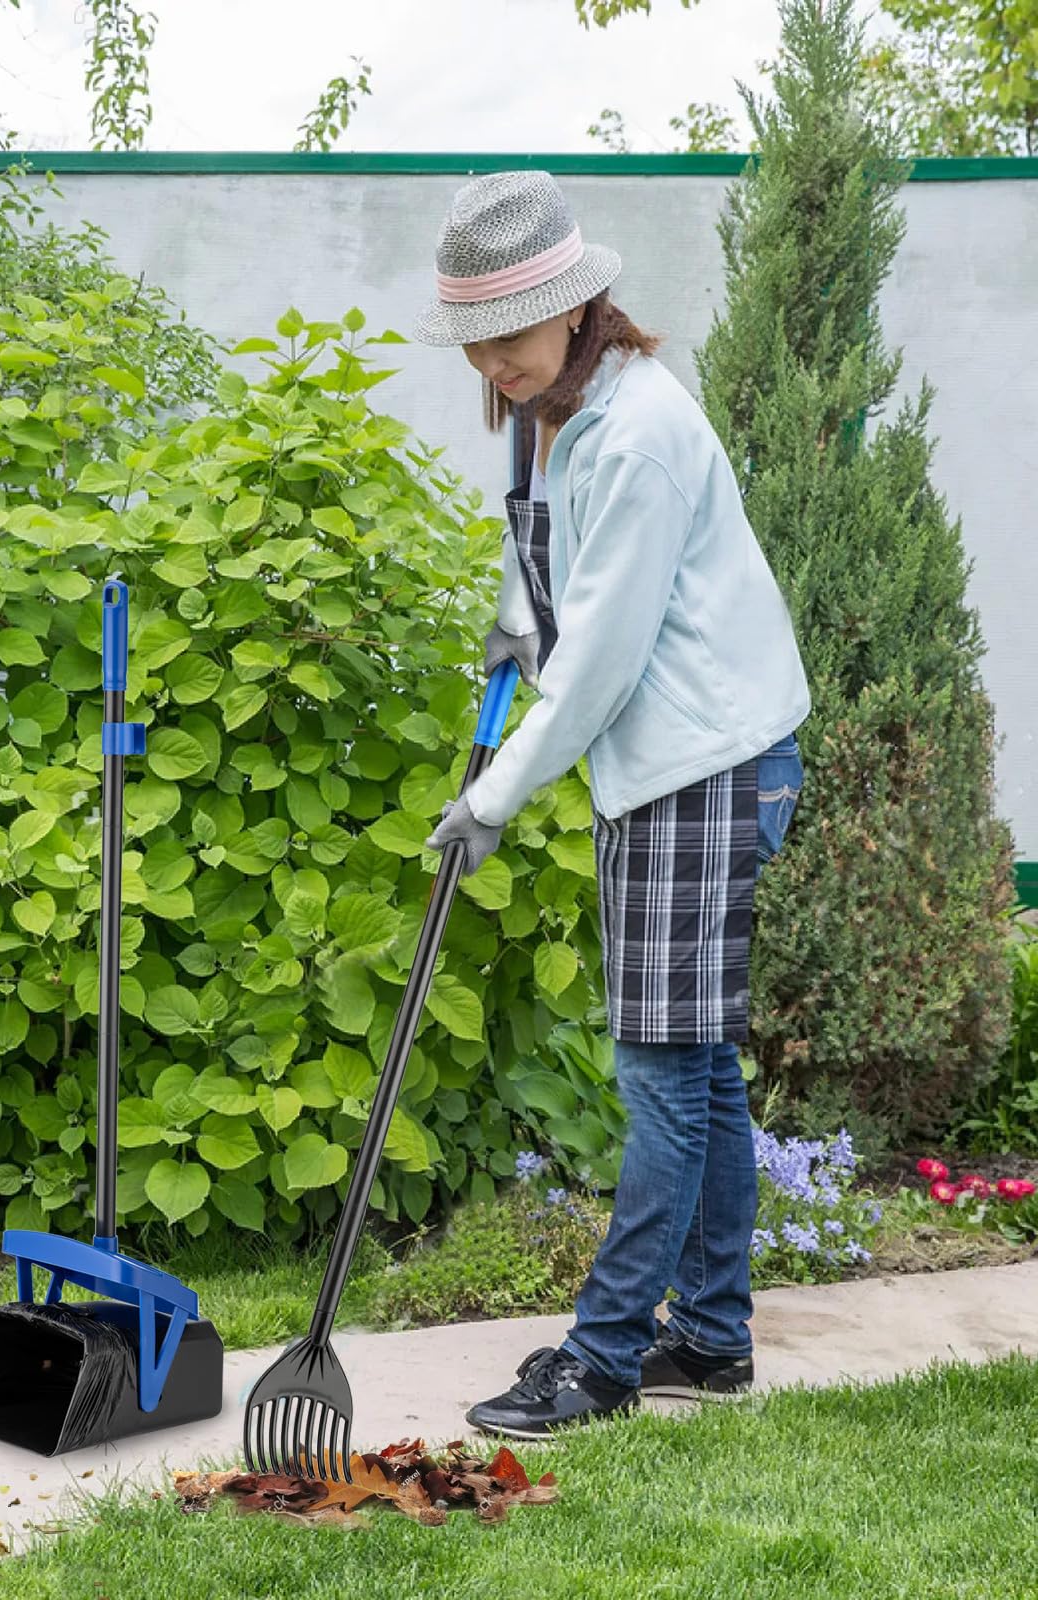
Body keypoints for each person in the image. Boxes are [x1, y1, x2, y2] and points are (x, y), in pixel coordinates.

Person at [416, 170, 811, 1440]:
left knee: (656, 1069)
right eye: (477, 339)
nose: (494, 360)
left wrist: (493, 792)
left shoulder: (637, 434)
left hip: (701, 765)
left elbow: (599, 662)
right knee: (696, 1067)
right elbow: (546, 575)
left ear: (581, 309)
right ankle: (711, 1337)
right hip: (673, 761)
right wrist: (507, 622)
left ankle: (605, 1357)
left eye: (512, 335)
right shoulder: (555, 410)